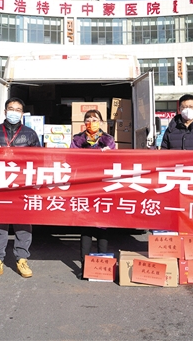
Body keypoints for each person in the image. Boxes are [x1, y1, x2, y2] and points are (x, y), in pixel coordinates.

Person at [0, 97, 42, 280]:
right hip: (0, 185)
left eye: (17, 110)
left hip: (22, 185)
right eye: (11, 109)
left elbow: (39, 159)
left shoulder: (30, 134)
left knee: (23, 224)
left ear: (22, 114)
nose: (14, 112)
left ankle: (22, 259)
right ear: (5, 112)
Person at [70, 109, 115, 279]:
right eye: (88, 119)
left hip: (103, 188)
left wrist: (108, 156)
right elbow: (72, 159)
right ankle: (85, 267)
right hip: (85, 187)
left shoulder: (108, 140)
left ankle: (102, 267)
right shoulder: (77, 140)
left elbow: (115, 162)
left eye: (95, 119)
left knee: (103, 227)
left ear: (101, 122)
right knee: (86, 227)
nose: (91, 122)